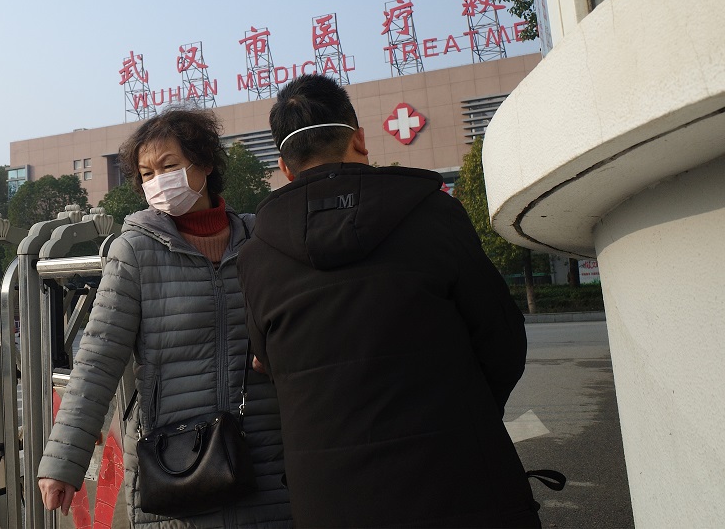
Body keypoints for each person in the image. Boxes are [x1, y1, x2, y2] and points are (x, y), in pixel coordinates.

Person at [236, 74, 541, 528]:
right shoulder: (434, 213)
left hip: (331, 500)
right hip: (462, 483)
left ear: (284, 166)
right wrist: (465, 417)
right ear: (358, 139)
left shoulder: (257, 255)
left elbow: (269, 363)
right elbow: (502, 340)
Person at [38, 107, 293, 528]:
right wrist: (64, 459)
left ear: (206, 164)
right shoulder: (135, 251)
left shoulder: (261, 241)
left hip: (266, 465)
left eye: (169, 166)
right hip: (177, 467)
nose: (158, 181)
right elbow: (98, 359)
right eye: (146, 173)